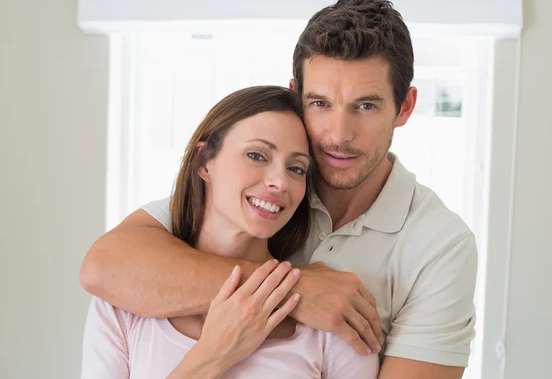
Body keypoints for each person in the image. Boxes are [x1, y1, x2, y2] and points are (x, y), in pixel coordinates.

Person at [80, 0, 477, 378]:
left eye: (366, 106)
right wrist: (298, 290)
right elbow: (104, 266)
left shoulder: (440, 246)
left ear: (404, 107)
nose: (339, 135)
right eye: (320, 103)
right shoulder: (254, 197)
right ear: (296, 95)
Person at [81, 86, 379, 378]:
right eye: (257, 155)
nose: (280, 182)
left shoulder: (332, 322)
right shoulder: (122, 304)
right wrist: (213, 355)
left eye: (297, 169)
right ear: (204, 163)